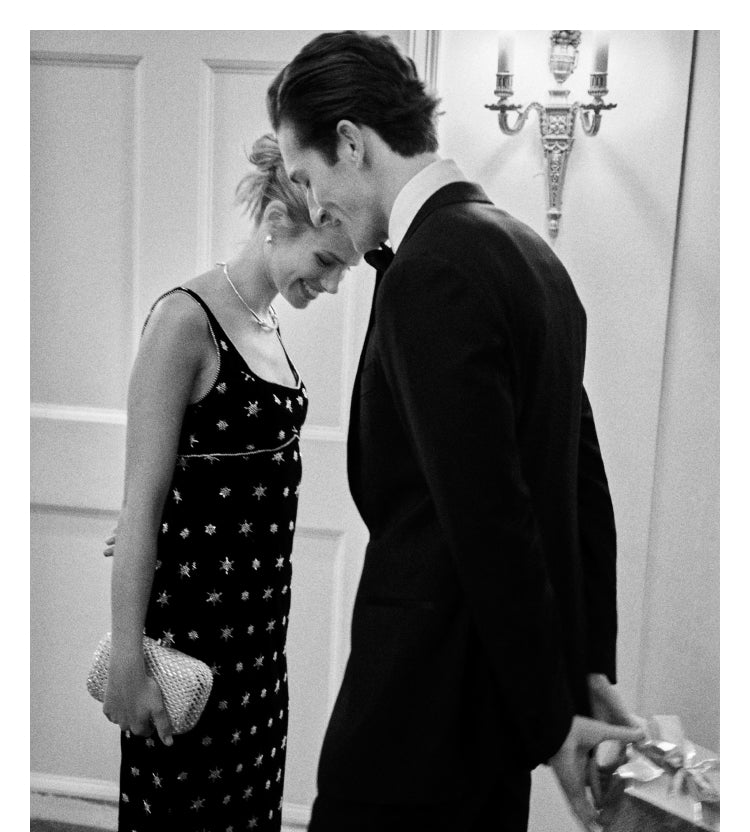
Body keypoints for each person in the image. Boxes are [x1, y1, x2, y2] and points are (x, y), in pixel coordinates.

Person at [268, 31, 644, 832]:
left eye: (305, 177)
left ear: (350, 142)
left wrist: (554, 720)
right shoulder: (533, 256)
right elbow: (584, 490)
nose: (312, 207)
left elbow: (490, 520)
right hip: (488, 734)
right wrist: (584, 668)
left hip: (419, 721)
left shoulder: (433, 270)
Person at [101, 133, 359, 832]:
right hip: (187, 659)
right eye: (327, 261)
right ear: (278, 223)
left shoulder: (267, 324)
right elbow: (142, 501)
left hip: (256, 665)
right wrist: (128, 662)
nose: (334, 284)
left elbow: (215, 479)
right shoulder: (185, 321)